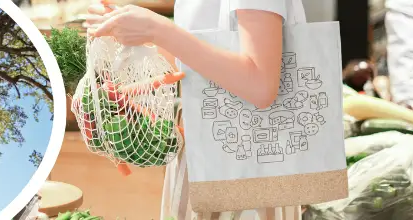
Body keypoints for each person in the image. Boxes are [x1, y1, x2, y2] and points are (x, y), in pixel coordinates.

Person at [84, 0, 305, 219]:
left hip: (246, 166)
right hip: (205, 151)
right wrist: (131, 28)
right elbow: (203, 58)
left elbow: (261, 86)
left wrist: (156, 29)